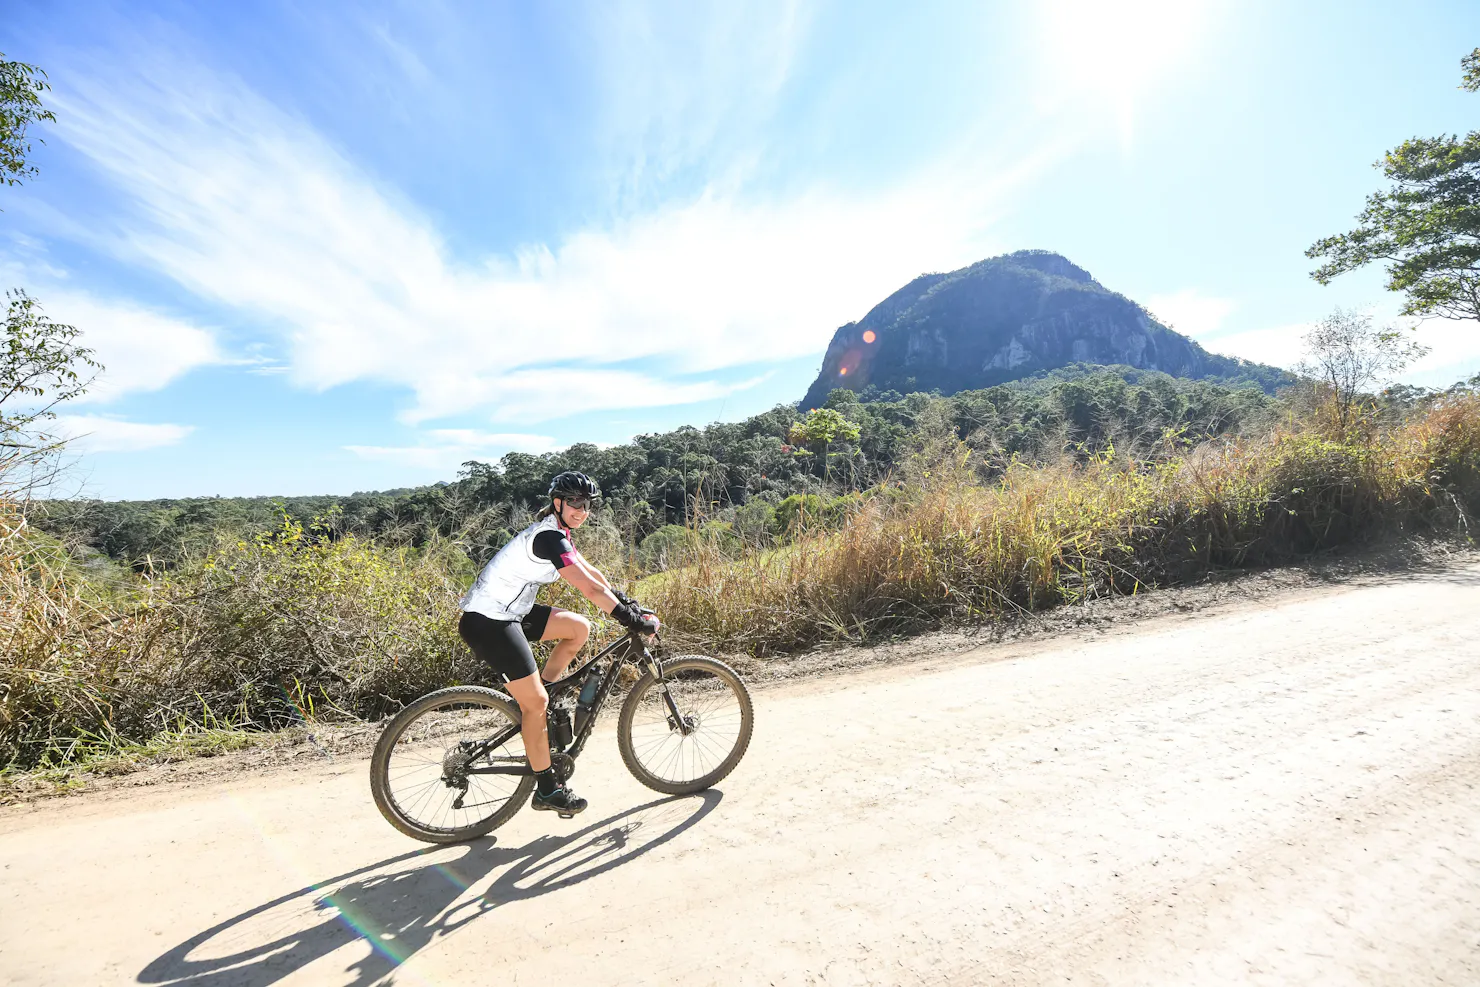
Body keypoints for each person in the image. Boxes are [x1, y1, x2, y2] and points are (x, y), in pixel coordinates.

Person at [457, 470, 659, 816]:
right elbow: (589, 590)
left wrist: (627, 602)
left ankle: (544, 698)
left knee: (578, 628)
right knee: (533, 703)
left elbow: (593, 574)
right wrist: (632, 621)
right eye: (576, 503)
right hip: (488, 622)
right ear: (558, 504)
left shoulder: (560, 532)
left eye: (588, 505)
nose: (582, 510)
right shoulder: (548, 538)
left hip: (511, 612)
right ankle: (547, 789)